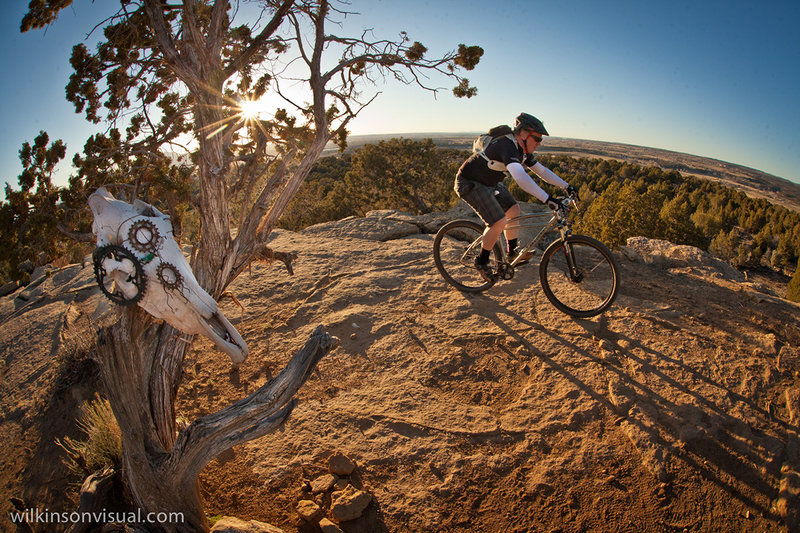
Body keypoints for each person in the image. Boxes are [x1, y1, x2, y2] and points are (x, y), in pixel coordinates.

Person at [454, 112, 578, 280]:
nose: (539, 144)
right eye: (537, 139)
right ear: (524, 134)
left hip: (490, 182)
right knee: (498, 221)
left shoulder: (522, 150)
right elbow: (520, 177)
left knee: (513, 209)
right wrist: (547, 199)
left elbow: (541, 171)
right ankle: (482, 261)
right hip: (470, 182)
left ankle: (511, 253)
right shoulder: (506, 145)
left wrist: (567, 186)